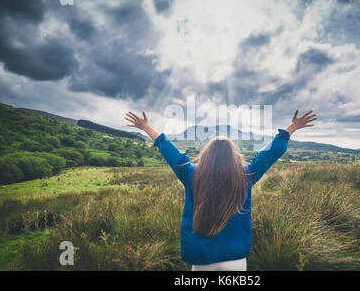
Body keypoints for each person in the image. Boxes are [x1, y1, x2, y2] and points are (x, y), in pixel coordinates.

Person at [124, 109, 317, 271]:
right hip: (235, 259)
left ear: (207, 154)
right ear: (233, 155)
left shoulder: (192, 173)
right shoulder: (246, 174)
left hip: (200, 257)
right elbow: (269, 154)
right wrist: (292, 128)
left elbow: (170, 151)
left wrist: (147, 127)